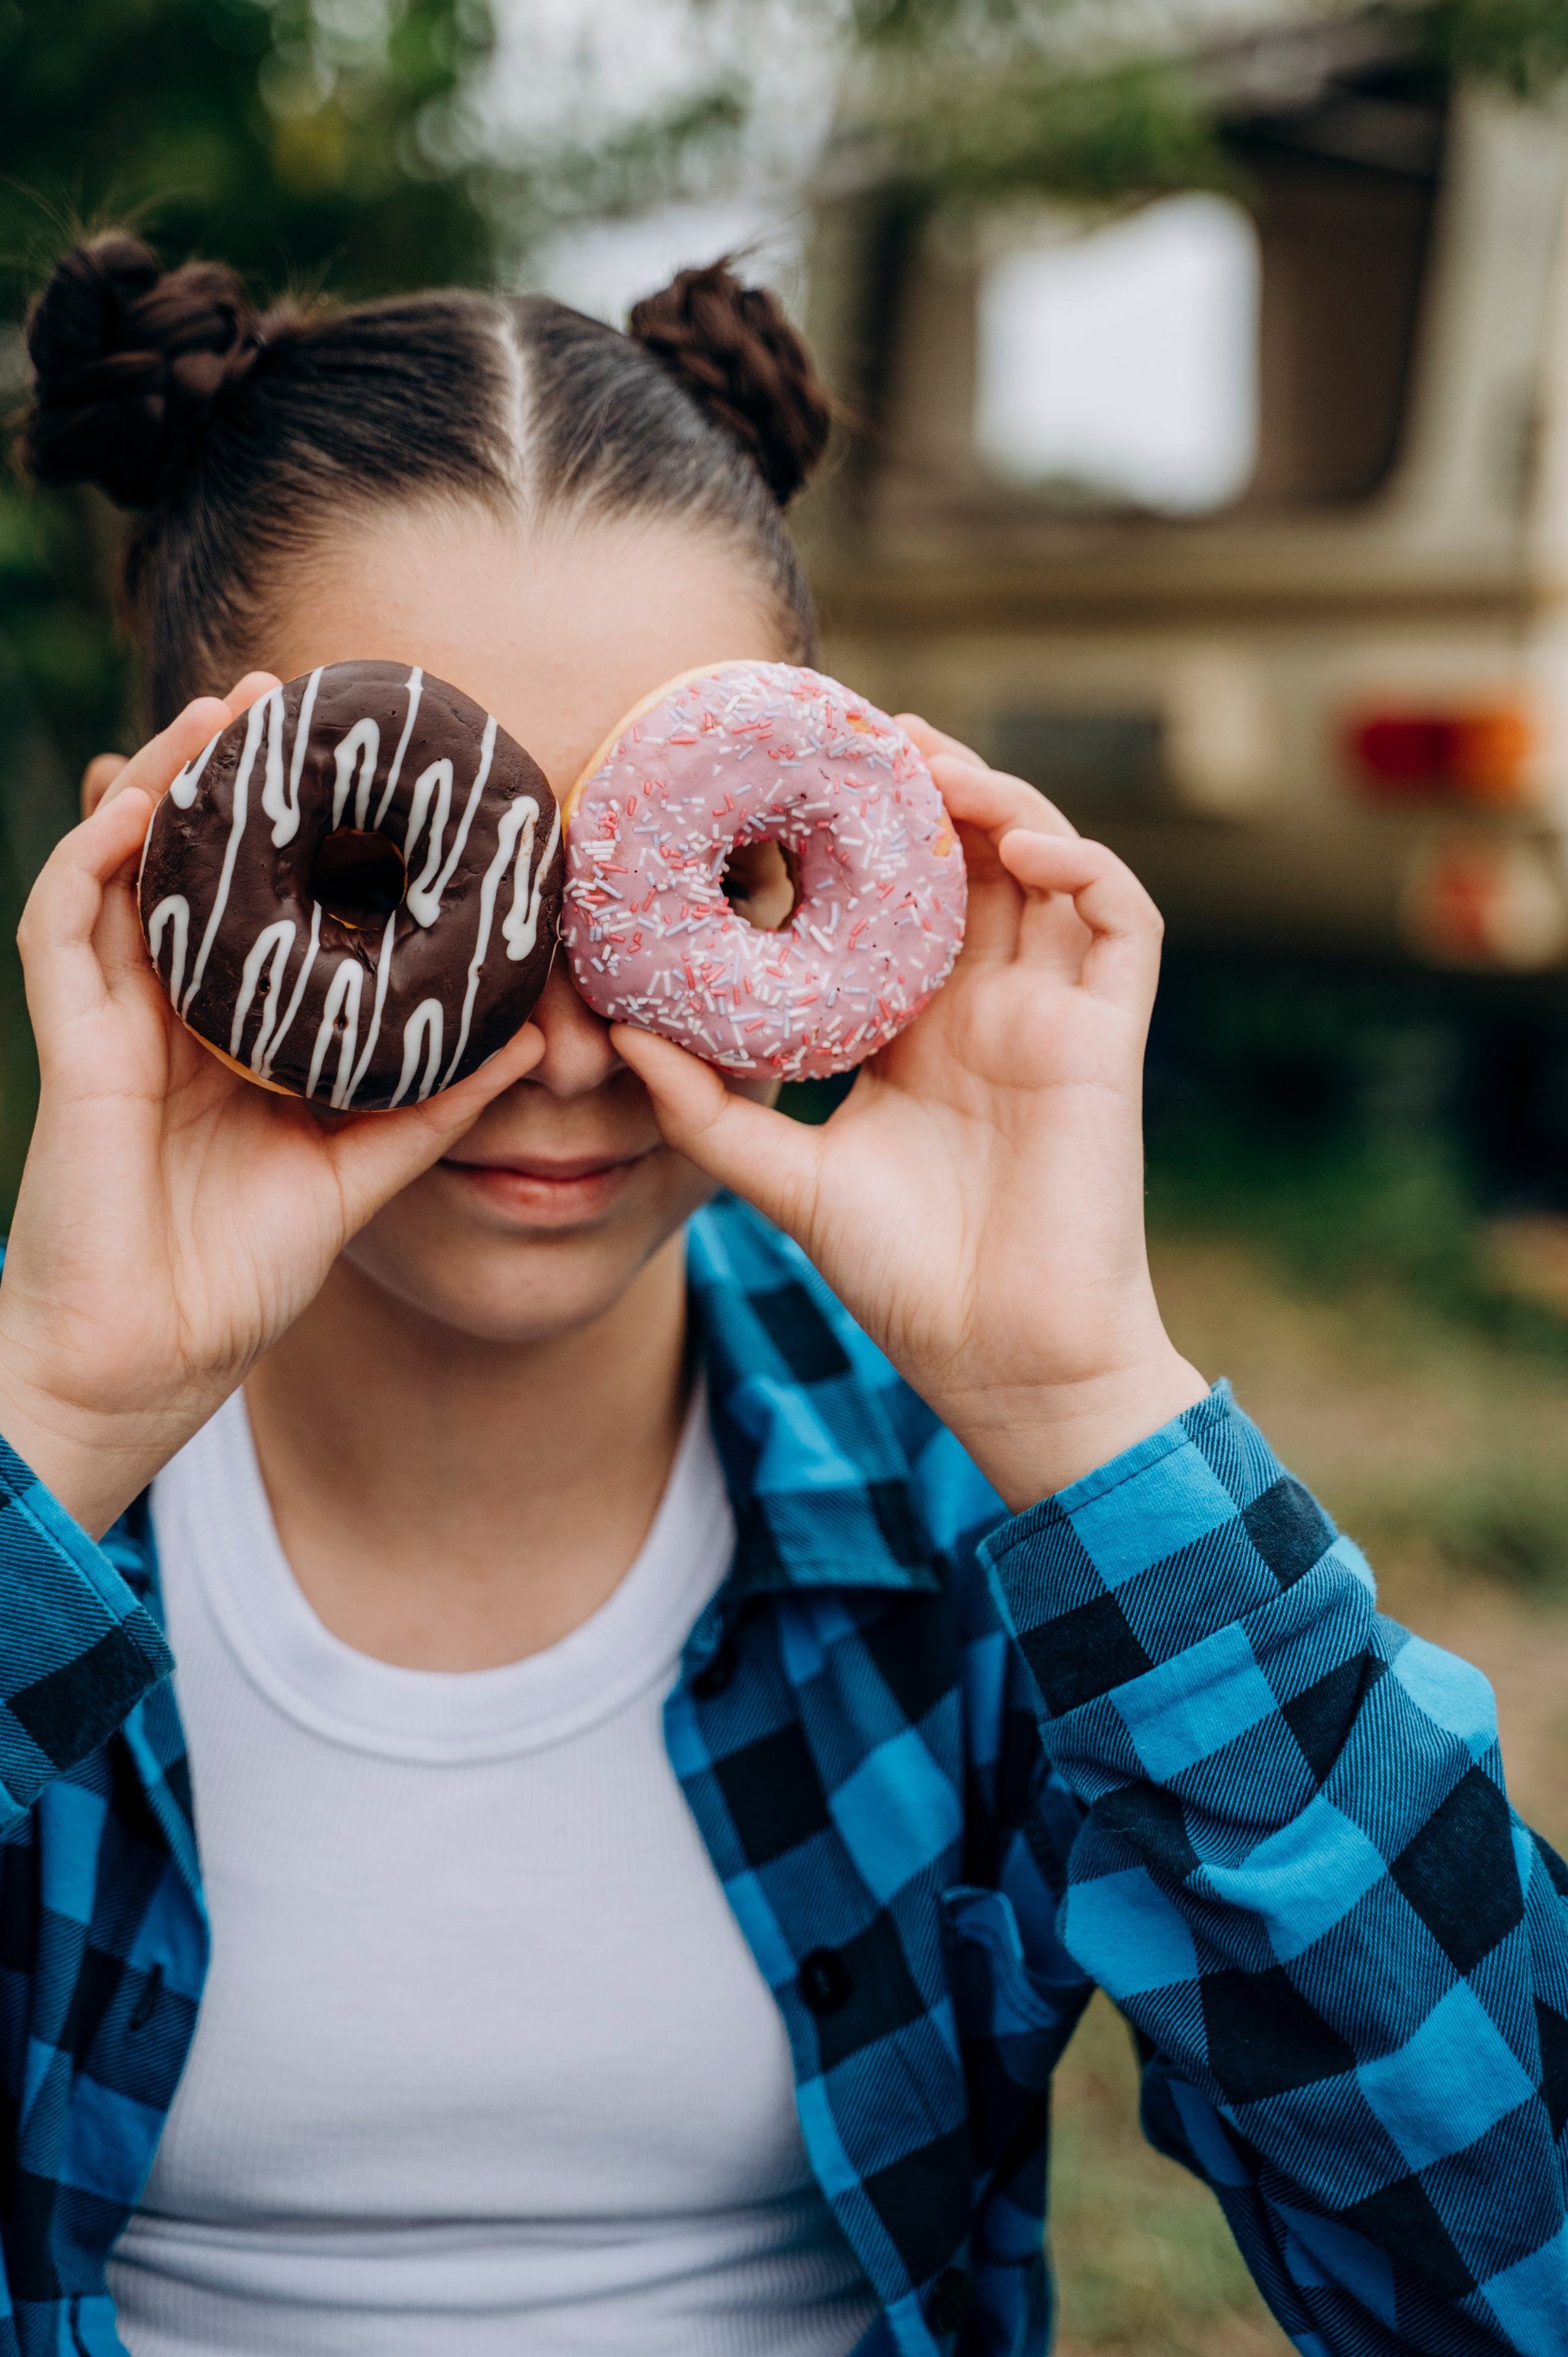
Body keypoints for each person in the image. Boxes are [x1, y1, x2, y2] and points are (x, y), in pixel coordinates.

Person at [0, 228, 1560, 2357]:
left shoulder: (988, 1519)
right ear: (153, 869)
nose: (566, 1044)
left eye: (695, 879)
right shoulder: (38, 1469)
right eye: (398, 877)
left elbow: (1516, 2267)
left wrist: (1082, 1400)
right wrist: (59, 1423)